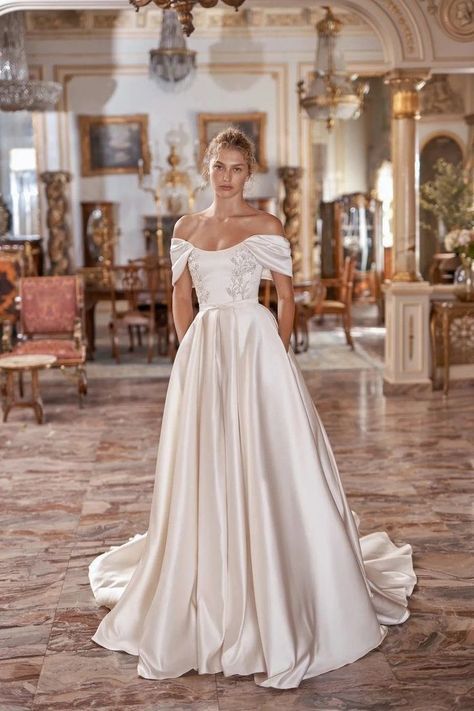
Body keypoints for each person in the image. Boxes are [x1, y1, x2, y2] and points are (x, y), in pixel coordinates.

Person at [89, 127, 416, 689]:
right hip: (206, 353)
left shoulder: (266, 227)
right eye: (219, 165)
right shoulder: (186, 228)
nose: (226, 176)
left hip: (256, 348)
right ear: (206, 167)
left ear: (250, 173)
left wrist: (276, 355)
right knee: (208, 458)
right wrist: (189, 350)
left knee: (269, 457)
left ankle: (283, 569)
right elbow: (180, 295)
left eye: (237, 168)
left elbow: (285, 299)